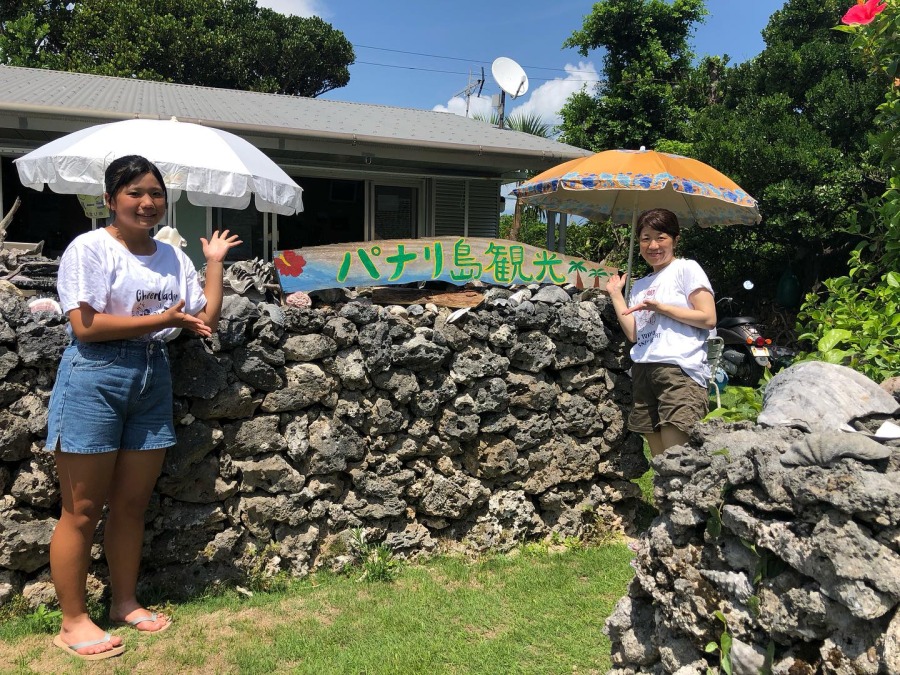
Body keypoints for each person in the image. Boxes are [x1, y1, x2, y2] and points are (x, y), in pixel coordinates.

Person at [44, 155, 241, 660]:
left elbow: (203, 319)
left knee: (132, 504)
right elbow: (84, 326)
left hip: (153, 376)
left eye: (155, 193)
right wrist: (160, 321)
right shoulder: (89, 248)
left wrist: (214, 263)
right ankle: (72, 621)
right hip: (95, 375)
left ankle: (124, 602)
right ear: (111, 199)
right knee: (82, 509)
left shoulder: (172, 257)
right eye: (134, 192)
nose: (147, 202)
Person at [606, 208, 716, 457]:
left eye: (661, 237)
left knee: (678, 456)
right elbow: (634, 333)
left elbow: (708, 318)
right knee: (660, 460)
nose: (653, 245)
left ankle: (683, 497)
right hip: (644, 370)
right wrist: (616, 295)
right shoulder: (641, 284)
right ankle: (663, 498)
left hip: (678, 371)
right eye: (645, 238)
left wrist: (662, 308)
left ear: (675, 240)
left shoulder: (686, 269)